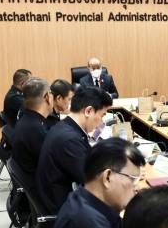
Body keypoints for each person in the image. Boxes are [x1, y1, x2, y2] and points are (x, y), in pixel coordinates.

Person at [36, 86, 112, 214]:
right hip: (62, 209)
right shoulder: (69, 139)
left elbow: (88, 161)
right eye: (102, 115)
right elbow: (93, 181)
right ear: (88, 111)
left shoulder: (65, 126)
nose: (101, 122)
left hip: (57, 198)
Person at [11, 77, 54, 187]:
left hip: (36, 181)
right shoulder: (35, 129)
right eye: (51, 93)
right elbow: (55, 164)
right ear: (47, 97)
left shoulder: (29, 120)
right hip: (45, 188)